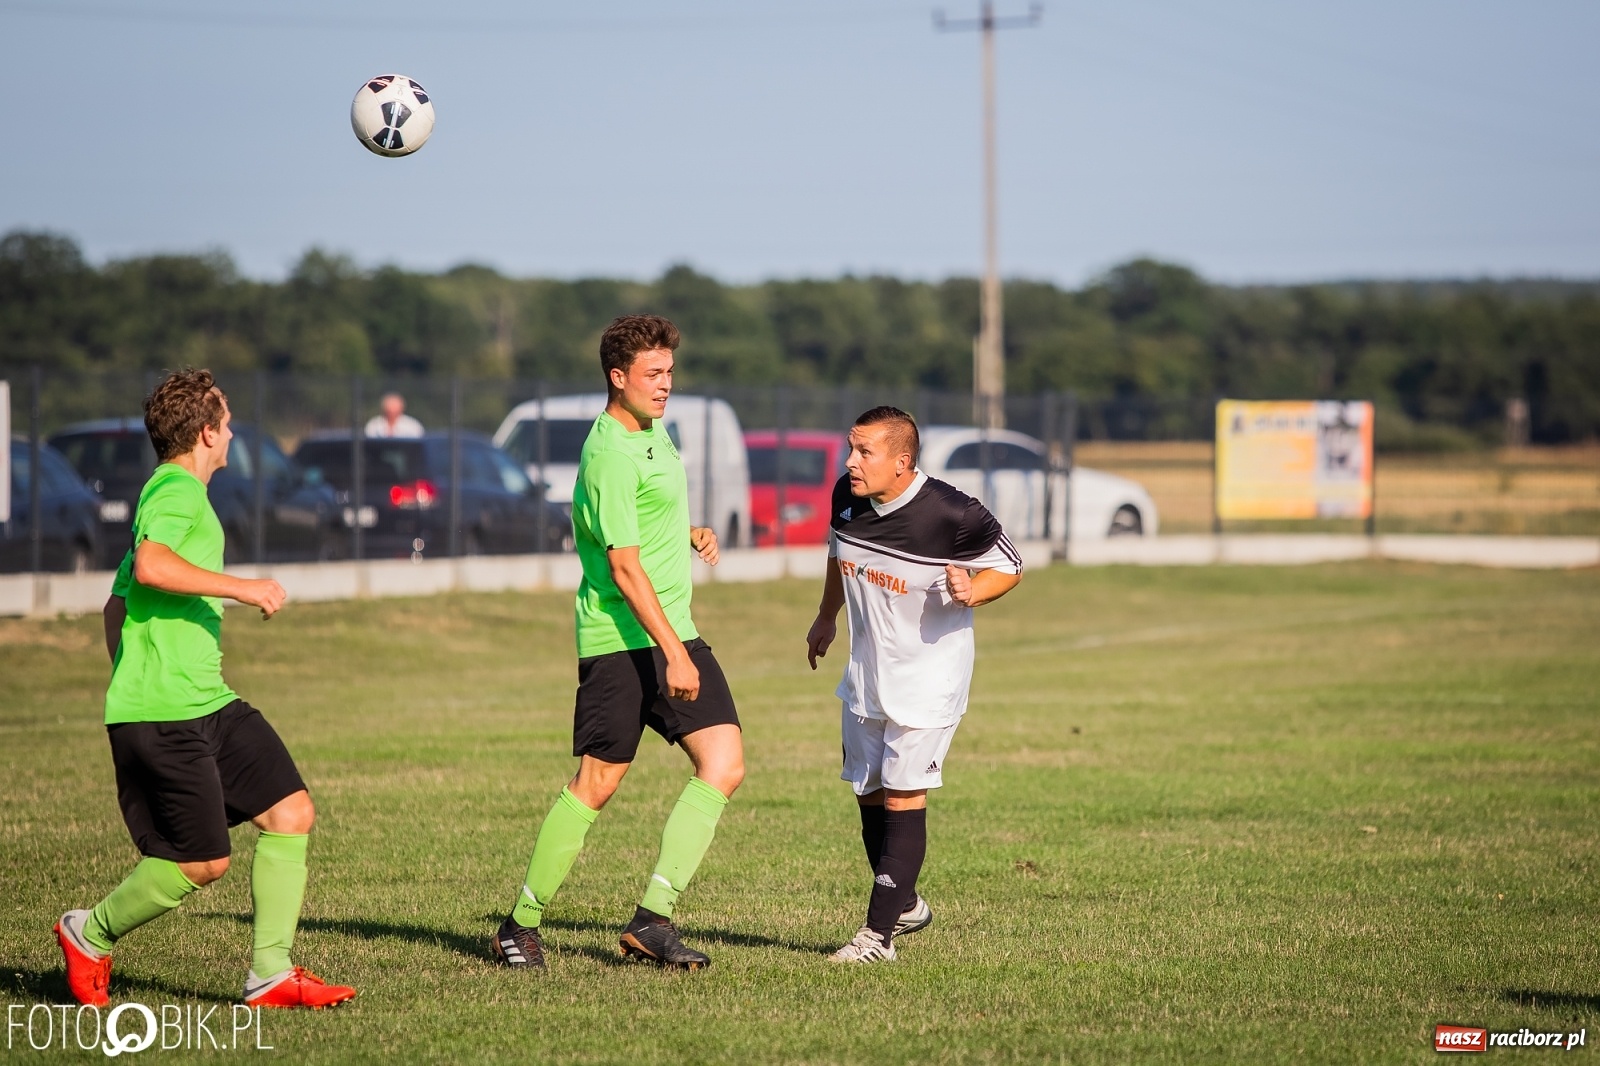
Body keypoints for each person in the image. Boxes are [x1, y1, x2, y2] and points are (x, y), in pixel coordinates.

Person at [54, 369, 357, 1009]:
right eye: (226, 422)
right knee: (201, 863)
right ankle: (90, 932)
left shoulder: (173, 495)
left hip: (207, 702)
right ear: (205, 433)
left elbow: (116, 603)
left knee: (291, 811)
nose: (231, 432)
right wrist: (245, 588)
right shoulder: (176, 492)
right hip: (165, 716)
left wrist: (134, 669)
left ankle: (270, 974)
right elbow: (150, 567)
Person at [492, 314, 743, 971]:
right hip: (620, 637)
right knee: (596, 784)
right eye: (653, 375)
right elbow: (624, 566)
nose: (666, 386)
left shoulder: (654, 432)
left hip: (671, 629)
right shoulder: (607, 449)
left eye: (670, 373)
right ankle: (517, 926)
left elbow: (645, 513)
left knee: (724, 762)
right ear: (618, 376)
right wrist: (677, 654)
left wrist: (687, 533)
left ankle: (651, 922)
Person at [805, 406, 1022, 963]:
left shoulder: (952, 513)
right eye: (850, 450)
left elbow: (1010, 565)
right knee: (869, 790)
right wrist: (827, 615)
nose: (851, 462)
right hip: (866, 675)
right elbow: (838, 554)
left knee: (904, 795)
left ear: (902, 462)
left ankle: (876, 940)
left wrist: (973, 591)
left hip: (929, 679)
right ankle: (903, 904)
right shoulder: (846, 496)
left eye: (864, 452)